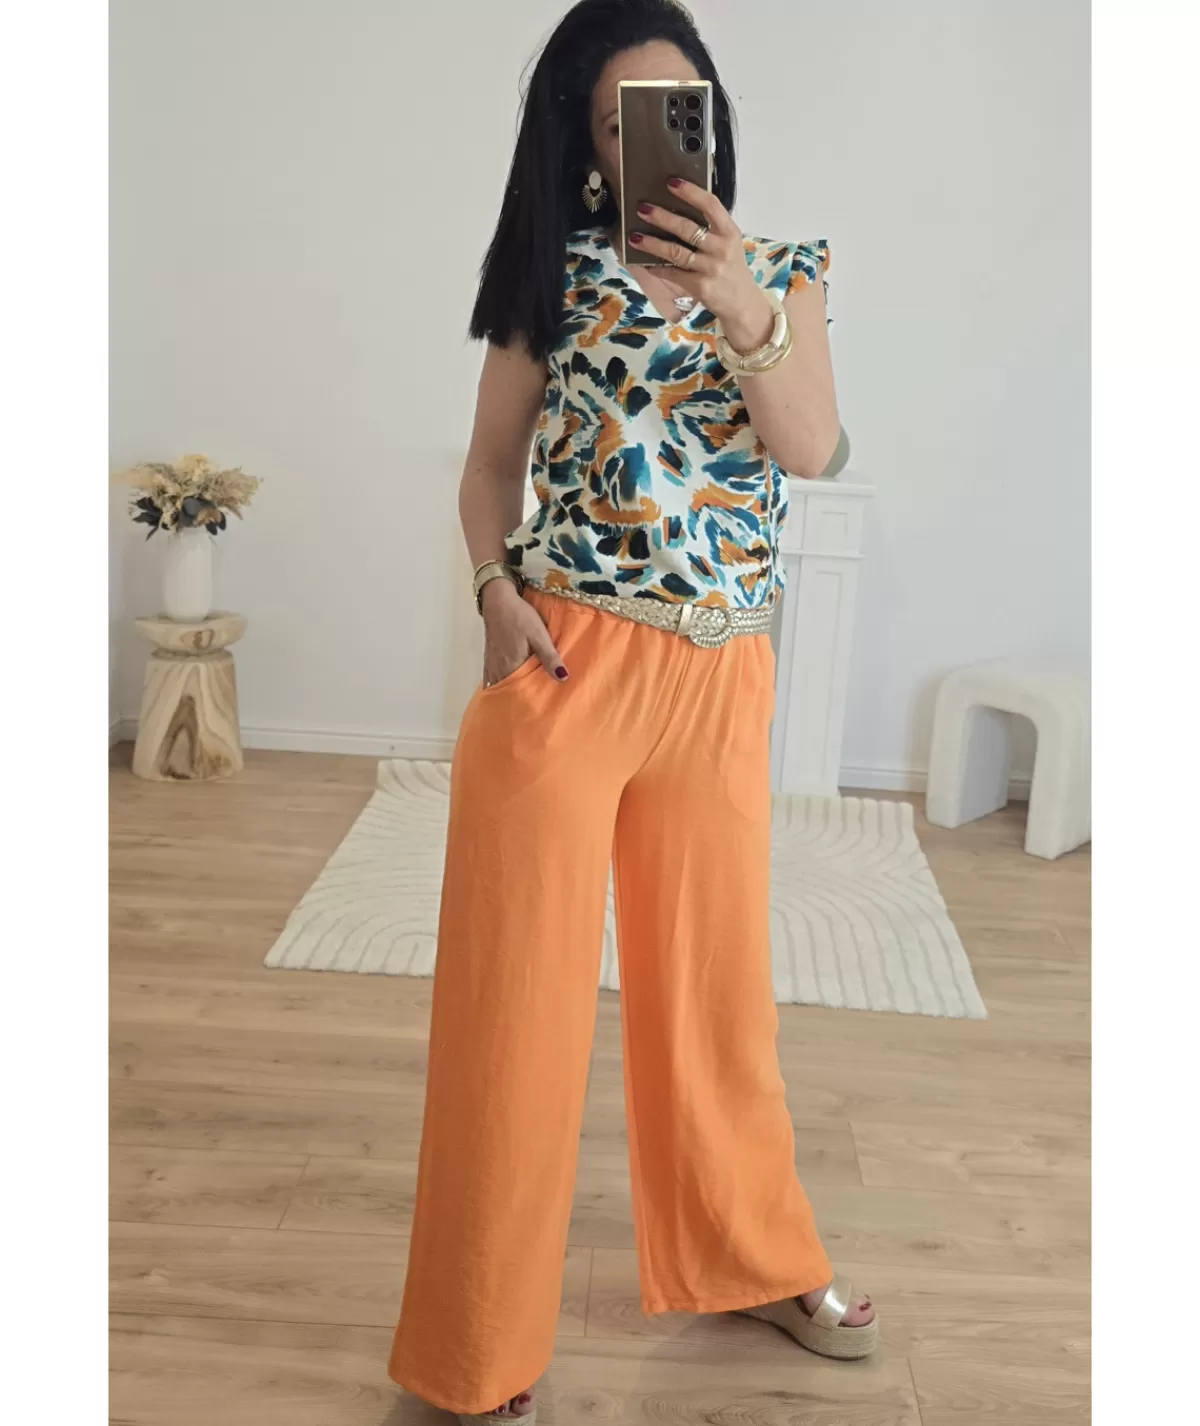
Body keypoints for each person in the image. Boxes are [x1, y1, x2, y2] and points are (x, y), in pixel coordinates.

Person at [387, 2, 872, 1420]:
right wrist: (493, 591)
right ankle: (475, 1353)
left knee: (717, 1000)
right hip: (566, 664)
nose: (659, 137)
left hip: (718, 676)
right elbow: (489, 465)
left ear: (711, 116)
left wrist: (740, 302)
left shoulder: (782, 275)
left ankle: (751, 1256)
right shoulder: (551, 278)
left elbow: (814, 449)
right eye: (622, 120)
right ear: (589, 148)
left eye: (681, 105)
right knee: (514, 1013)